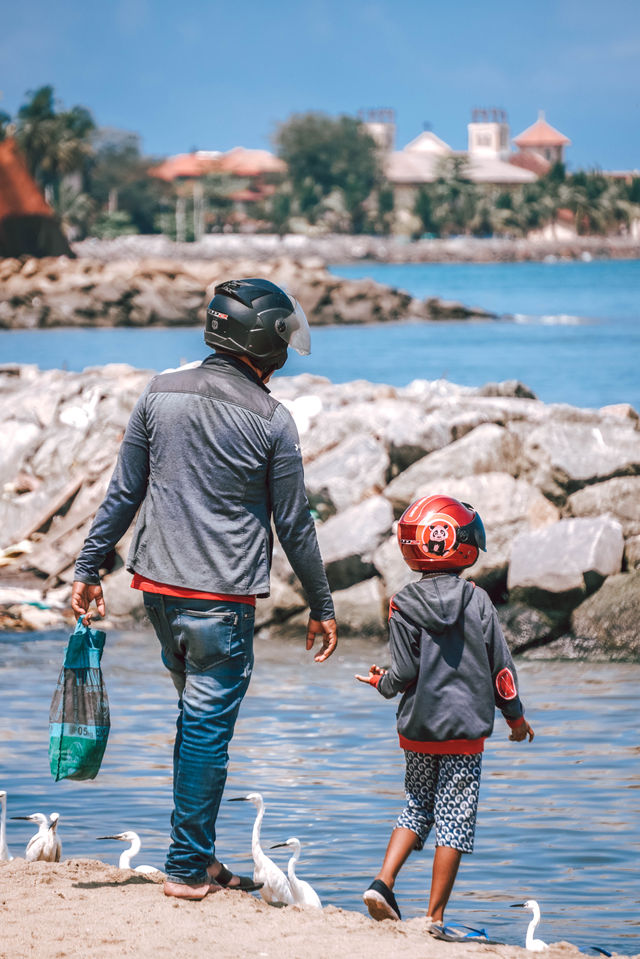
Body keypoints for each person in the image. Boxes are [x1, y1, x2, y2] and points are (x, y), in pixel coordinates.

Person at [71, 277, 338, 900]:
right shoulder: (273, 420)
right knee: (205, 732)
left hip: (157, 592)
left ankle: (200, 854)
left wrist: (86, 570)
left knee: (195, 725)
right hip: (221, 602)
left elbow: (122, 494)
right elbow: (294, 525)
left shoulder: (157, 392)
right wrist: (323, 605)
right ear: (264, 343)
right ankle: (188, 869)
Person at [356, 493, 533, 938]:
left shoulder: (401, 604)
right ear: (466, 546)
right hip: (464, 733)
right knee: (453, 821)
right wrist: (515, 718)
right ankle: (434, 918)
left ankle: (383, 882)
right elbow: (502, 670)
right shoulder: (479, 603)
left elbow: (404, 671)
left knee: (417, 804)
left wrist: (383, 684)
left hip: (418, 729)